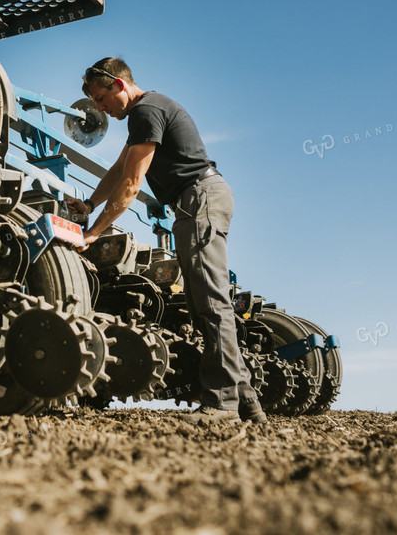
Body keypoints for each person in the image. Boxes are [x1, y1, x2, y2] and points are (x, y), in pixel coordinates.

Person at [66, 57, 266, 425]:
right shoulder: (146, 114)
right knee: (202, 302)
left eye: (100, 98)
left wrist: (94, 232)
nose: (99, 109)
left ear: (119, 85)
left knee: (211, 302)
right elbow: (118, 170)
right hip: (195, 202)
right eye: (94, 102)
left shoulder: (147, 110)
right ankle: (246, 401)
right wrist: (91, 204)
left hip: (199, 199)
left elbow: (131, 184)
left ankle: (222, 404)